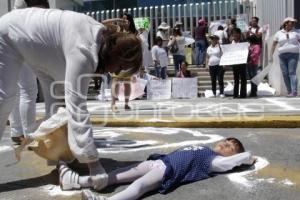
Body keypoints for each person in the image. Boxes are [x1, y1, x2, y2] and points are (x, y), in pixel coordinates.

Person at [0, 8, 142, 190]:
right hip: (10, 34)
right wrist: (93, 163)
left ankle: (62, 159)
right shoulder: (84, 49)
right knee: (5, 98)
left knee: (57, 107)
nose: (115, 72)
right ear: (115, 52)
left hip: (39, 48)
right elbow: (77, 107)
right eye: (120, 65)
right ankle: (67, 158)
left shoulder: (99, 37)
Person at [57, 138, 256, 200]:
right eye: (227, 141)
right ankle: (75, 181)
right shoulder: (206, 148)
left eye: (232, 147)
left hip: (167, 171)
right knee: (115, 176)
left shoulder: (214, 161)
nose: (226, 145)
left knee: (139, 185)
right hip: (158, 161)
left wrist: (246, 157)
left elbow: (232, 162)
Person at [9, 0, 49, 144]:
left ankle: (17, 131)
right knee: (28, 90)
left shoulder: (16, 8)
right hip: (24, 38)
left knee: (16, 90)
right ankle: (29, 134)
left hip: (11, 38)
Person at [110, 13, 138, 111]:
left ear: (130, 21)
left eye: (126, 19)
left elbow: (135, 46)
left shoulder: (134, 32)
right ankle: (113, 103)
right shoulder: (117, 29)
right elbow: (105, 24)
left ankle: (126, 103)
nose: (124, 20)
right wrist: (117, 20)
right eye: (123, 19)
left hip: (128, 60)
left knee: (127, 83)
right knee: (115, 81)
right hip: (117, 59)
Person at [270, 17, 300, 97]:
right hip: (282, 55)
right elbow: (274, 44)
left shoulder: (297, 32)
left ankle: (294, 91)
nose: (293, 24)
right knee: (285, 73)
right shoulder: (279, 33)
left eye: (294, 22)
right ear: (286, 23)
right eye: (291, 22)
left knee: (292, 72)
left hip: (293, 54)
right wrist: (271, 55)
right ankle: (289, 91)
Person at [231, 28, 247, 98]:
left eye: (236, 33)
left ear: (239, 34)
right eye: (233, 33)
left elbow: (246, 50)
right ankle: (235, 94)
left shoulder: (243, 42)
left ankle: (243, 94)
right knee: (236, 79)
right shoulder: (231, 43)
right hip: (235, 63)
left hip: (242, 62)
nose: (235, 35)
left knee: (243, 79)